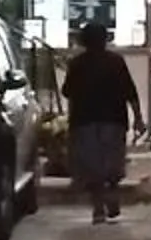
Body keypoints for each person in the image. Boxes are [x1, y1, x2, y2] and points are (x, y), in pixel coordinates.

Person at [61, 21, 145, 224]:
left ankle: (98, 208)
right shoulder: (116, 61)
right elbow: (130, 91)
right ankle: (113, 194)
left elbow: (66, 91)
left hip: (84, 121)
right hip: (114, 120)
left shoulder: (77, 63)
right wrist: (138, 118)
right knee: (112, 163)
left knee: (92, 166)